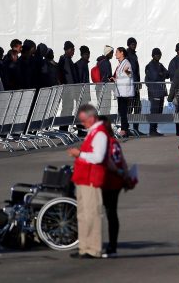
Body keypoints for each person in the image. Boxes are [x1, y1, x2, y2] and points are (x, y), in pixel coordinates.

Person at [67, 104, 107, 259]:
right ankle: (84, 246)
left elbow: (98, 157)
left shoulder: (99, 134)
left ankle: (93, 248)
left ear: (91, 118)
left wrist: (80, 154)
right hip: (84, 179)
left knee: (91, 214)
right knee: (83, 214)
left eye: (83, 120)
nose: (82, 123)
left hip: (92, 179)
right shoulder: (93, 132)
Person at [100, 115, 135, 258]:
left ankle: (96, 244)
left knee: (98, 212)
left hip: (107, 180)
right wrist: (126, 176)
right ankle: (112, 245)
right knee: (112, 213)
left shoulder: (103, 142)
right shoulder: (114, 142)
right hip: (117, 182)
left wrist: (118, 171)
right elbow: (122, 161)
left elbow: (108, 161)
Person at [145, 48, 168, 136]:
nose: (158, 56)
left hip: (160, 91)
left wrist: (161, 74)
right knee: (154, 111)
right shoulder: (150, 65)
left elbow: (167, 74)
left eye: (159, 54)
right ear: (153, 55)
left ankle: (155, 129)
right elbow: (154, 76)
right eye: (156, 55)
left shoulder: (160, 65)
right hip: (154, 92)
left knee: (159, 111)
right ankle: (152, 130)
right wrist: (161, 74)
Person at [112, 47, 134, 138]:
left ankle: (124, 129)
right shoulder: (120, 63)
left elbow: (129, 75)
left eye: (117, 52)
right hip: (120, 91)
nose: (115, 54)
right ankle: (125, 128)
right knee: (121, 111)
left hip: (124, 92)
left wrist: (126, 72)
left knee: (123, 110)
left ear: (122, 53)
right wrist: (115, 79)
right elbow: (121, 76)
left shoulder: (126, 63)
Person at [126, 38, 145, 136]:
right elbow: (126, 69)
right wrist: (131, 80)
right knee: (129, 108)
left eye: (135, 44)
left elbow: (137, 70)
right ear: (129, 45)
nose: (134, 46)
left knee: (137, 107)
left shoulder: (134, 55)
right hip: (130, 85)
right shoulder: (127, 55)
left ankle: (136, 129)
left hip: (136, 85)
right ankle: (127, 129)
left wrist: (138, 81)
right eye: (133, 44)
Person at [168, 43, 179, 134]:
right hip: (177, 89)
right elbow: (172, 75)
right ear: (177, 51)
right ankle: (178, 130)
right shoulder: (173, 61)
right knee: (177, 110)